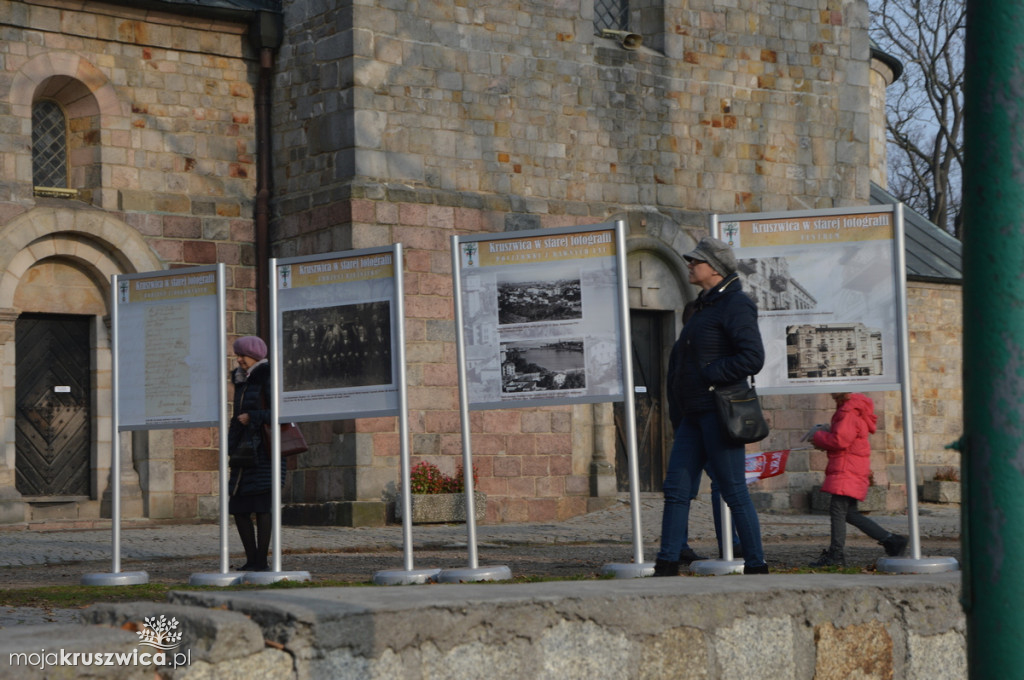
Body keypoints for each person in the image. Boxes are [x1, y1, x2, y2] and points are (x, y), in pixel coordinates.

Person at [654, 236, 769, 576]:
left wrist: (710, 374)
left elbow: (752, 357)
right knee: (676, 489)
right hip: (693, 413)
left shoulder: (736, 304)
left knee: (733, 490)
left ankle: (756, 565)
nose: (689, 265)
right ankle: (667, 563)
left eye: (695, 261)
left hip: (720, 412)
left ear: (715, 269)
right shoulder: (703, 306)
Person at [808, 392, 908, 567]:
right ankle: (891, 540)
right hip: (852, 467)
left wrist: (817, 437)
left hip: (847, 468)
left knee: (837, 511)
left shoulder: (848, 412)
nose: (832, 397)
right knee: (849, 513)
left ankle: (836, 555)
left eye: (834, 394)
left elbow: (840, 440)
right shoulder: (854, 410)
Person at [227, 335, 285, 572]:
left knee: (262, 508)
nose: (238, 359)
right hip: (244, 454)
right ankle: (252, 560)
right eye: (237, 354)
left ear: (255, 355)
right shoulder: (241, 380)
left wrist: (253, 417)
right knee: (239, 509)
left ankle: (261, 561)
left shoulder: (268, 374)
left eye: (243, 354)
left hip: (264, 453)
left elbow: (281, 411)